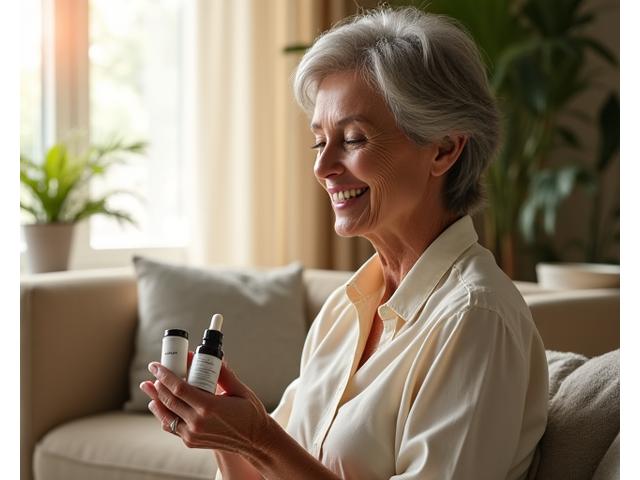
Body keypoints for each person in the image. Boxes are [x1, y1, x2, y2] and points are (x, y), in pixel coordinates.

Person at [140, 7, 549, 479]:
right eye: (319, 142)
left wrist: (258, 438)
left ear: (443, 148)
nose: (323, 167)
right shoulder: (347, 307)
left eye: (353, 139)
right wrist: (226, 435)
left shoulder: (476, 318)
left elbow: (274, 451)